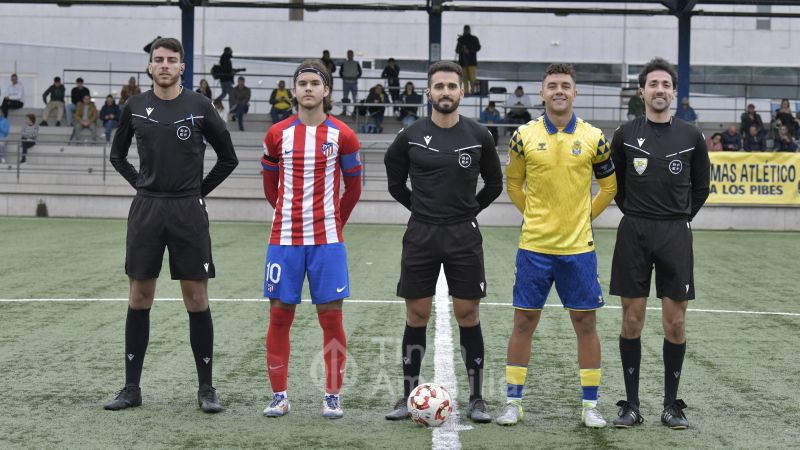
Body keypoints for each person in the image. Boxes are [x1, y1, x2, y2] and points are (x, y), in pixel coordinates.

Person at [104, 37, 238, 414]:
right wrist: (143, 187)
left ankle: (206, 389)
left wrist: (198, 191)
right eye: (158, 60)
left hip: (187, 212)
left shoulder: (199, 106)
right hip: (147, 210)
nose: (164, 65)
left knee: (196, 297)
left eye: (171, 60)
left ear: (182, 67)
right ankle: (131, 388)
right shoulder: (135, 106)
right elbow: (117, 156)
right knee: (139, 296)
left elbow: (228, 158)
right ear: (150, 67)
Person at [495, 63, 617, 428]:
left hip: (578, 249)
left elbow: (609, 187)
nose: (559, 91)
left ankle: (590, 406)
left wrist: (582, 218)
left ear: (575, 93)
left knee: (585, 324)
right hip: (534, 246)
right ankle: (513, 403)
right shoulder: (523, 136)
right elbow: (514, 185)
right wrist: (534, 215)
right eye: (552, 86)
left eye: (566, 85)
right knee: (524, 321)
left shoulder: (595, 137)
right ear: (542, 93)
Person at [383, 60, 503, 424]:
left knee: (468, 314)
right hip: (421, 233)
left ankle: (477, 399)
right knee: (416, 314)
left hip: (463, 234)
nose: (446, 92)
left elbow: (495, 185)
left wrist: (466, 212)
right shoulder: (410, 135)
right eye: (439, 87)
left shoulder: (479, 134)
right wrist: (422, 210)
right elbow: (394, 182)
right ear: (429, 92)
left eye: (452, 86)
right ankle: (407, 397)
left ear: (461, 92)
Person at [608, 57, 710, 430]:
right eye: (653, 84)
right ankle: (631, 405)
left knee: (675, 323)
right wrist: (637, 214)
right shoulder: (624, 134)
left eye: (666, 84)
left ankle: (671, 405)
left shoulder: (692, 136)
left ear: (674, 91)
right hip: (633, 232)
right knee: (632, 319)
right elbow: (616, 185)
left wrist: (678, 219)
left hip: (675, 234)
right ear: (642, 91)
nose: (660, 90)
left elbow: (701, 188)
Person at [260, 59, 362, 420]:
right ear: (294, 90)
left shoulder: (343, 135)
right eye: (301, 83)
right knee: (279, 316)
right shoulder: (276, 134)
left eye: (313, 84)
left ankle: (332, 396)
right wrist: (286, 213)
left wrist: (335, 221)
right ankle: (279, 396)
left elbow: (354, 187)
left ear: (326, 91)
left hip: (327, 242)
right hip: (284, 239)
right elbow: (270, 184)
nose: (307, 89)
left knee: (331, 319)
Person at [455, 25, 481, 94]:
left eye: (467, 29)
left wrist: (469, 50)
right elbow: (457, 50)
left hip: (471, 62)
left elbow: (478, 47)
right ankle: (466, 92)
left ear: (469, 30)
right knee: (464, 79)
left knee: (472, 79)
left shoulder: (474, 39)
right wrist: (462, 49)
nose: (466, 31)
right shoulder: (461, 40)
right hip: (463, 62)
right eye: (465, 30)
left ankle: (473, 91)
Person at [339, 50, 362, 115]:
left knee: (355, 98)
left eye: (351, 54)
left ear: (353, 55)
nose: (349, 55)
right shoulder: (344, 63)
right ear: (347, 55)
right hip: (346, 83)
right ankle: (344, 111)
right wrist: (343, 78)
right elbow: (340, 73)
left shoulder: (356, 63)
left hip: (354, 83)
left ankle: (355, 111)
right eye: (348, 54)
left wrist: (356, 77)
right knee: (345, 97)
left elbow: (360, 73)